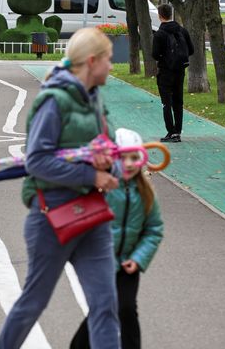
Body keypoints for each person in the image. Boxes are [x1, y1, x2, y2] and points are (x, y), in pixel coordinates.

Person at [0, 27, 120, 349]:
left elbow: (111, 150)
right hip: (52, 215)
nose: (112, 65)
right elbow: (36, 160)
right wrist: (91, 177)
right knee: (33, 302)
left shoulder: (96, 100)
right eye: (108, 59)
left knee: (106, 305)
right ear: (92, 61)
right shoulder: (54, 101)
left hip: (93, 216)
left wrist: (112, 165)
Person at [70, 128, 164, 349]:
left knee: (127, 309)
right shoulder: (102, 189)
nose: (129, 164)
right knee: (103, 307)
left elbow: (154, 229)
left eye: (134, 158)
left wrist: (139, 258)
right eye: (123, 158)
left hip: (128, 264)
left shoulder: (145, 192)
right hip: (101, 264)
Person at [151, 3, 194, 143]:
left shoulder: (159, 34)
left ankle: (171, 131)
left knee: (166, 102)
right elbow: (191, 50)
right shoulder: (182, 31)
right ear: (171, 14)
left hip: (165, 71)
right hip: (180, 70)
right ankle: (178, 133)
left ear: (160, 15)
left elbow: (155, 55)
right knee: (178, 101)